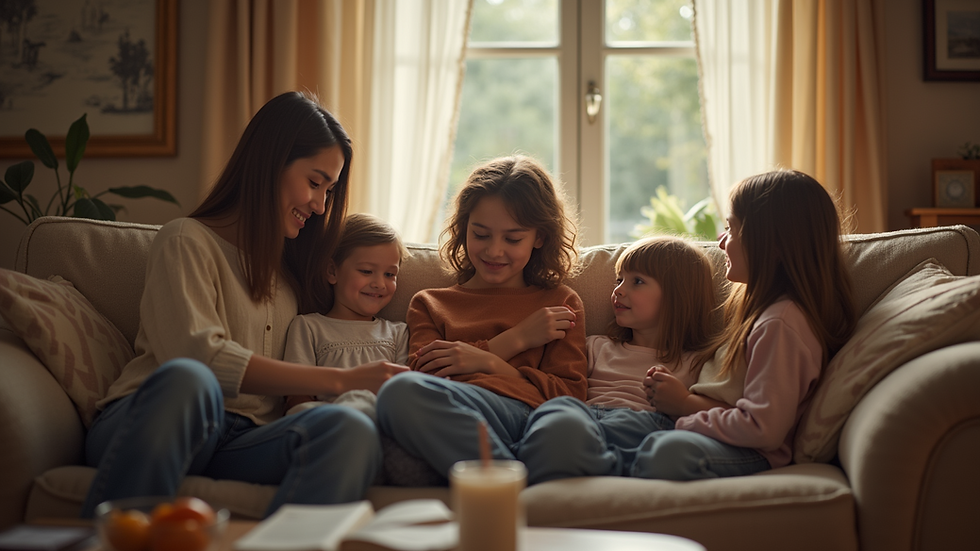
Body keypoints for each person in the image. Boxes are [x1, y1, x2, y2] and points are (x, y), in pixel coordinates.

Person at [80, 91, 408, 519]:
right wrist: (340, 379)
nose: (321, 204)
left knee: (348, 429)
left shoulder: (292, 270)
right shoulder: (186, 240)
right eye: (314, 182)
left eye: (329, 190)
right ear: (270, 163)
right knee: (189, 380)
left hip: (245, 440)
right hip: (158, 420)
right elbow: (199, 357)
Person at [375, 154, 589, 479]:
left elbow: (570, 396)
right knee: (399, 392)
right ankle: (510, 482)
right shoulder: (430, 303)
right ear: (464, 229)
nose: (494, 251)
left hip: (534, 421)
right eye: (481, 234)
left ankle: (500, 482)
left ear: (540, 237)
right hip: (458, 414)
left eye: (513, 238)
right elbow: (427, 381)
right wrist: (514, 341)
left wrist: (483, 362)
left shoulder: (560, 302)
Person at [634, 169, 856, 480]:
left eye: (731, 228)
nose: (721, 240)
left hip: (750, 452)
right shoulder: (763, 313)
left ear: (774, 245)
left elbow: (763, 428)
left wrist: (684, 406)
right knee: (618, 427)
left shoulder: (780, 324)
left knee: (666, 450)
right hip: (712, 432)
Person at [517, 235, 723, 483]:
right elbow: (562, 386)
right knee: (559, 414)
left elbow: (721, 413)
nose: (618, 290)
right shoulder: (595, 346)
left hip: (646, 428)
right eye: (619, 280)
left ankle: (602, 469)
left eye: (637, 281)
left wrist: (684, 400)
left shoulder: (699, 361)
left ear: (678, 296)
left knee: (663, 444)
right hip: (586, 423)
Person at [283, 212, 411, 422]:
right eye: (367, 271)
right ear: (332, 271)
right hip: (333, 423)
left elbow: (404, 390)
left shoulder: (398, 333)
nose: (380, 283)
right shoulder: (308, 326)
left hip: (385, 420)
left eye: (390, 275)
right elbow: (296, 393)